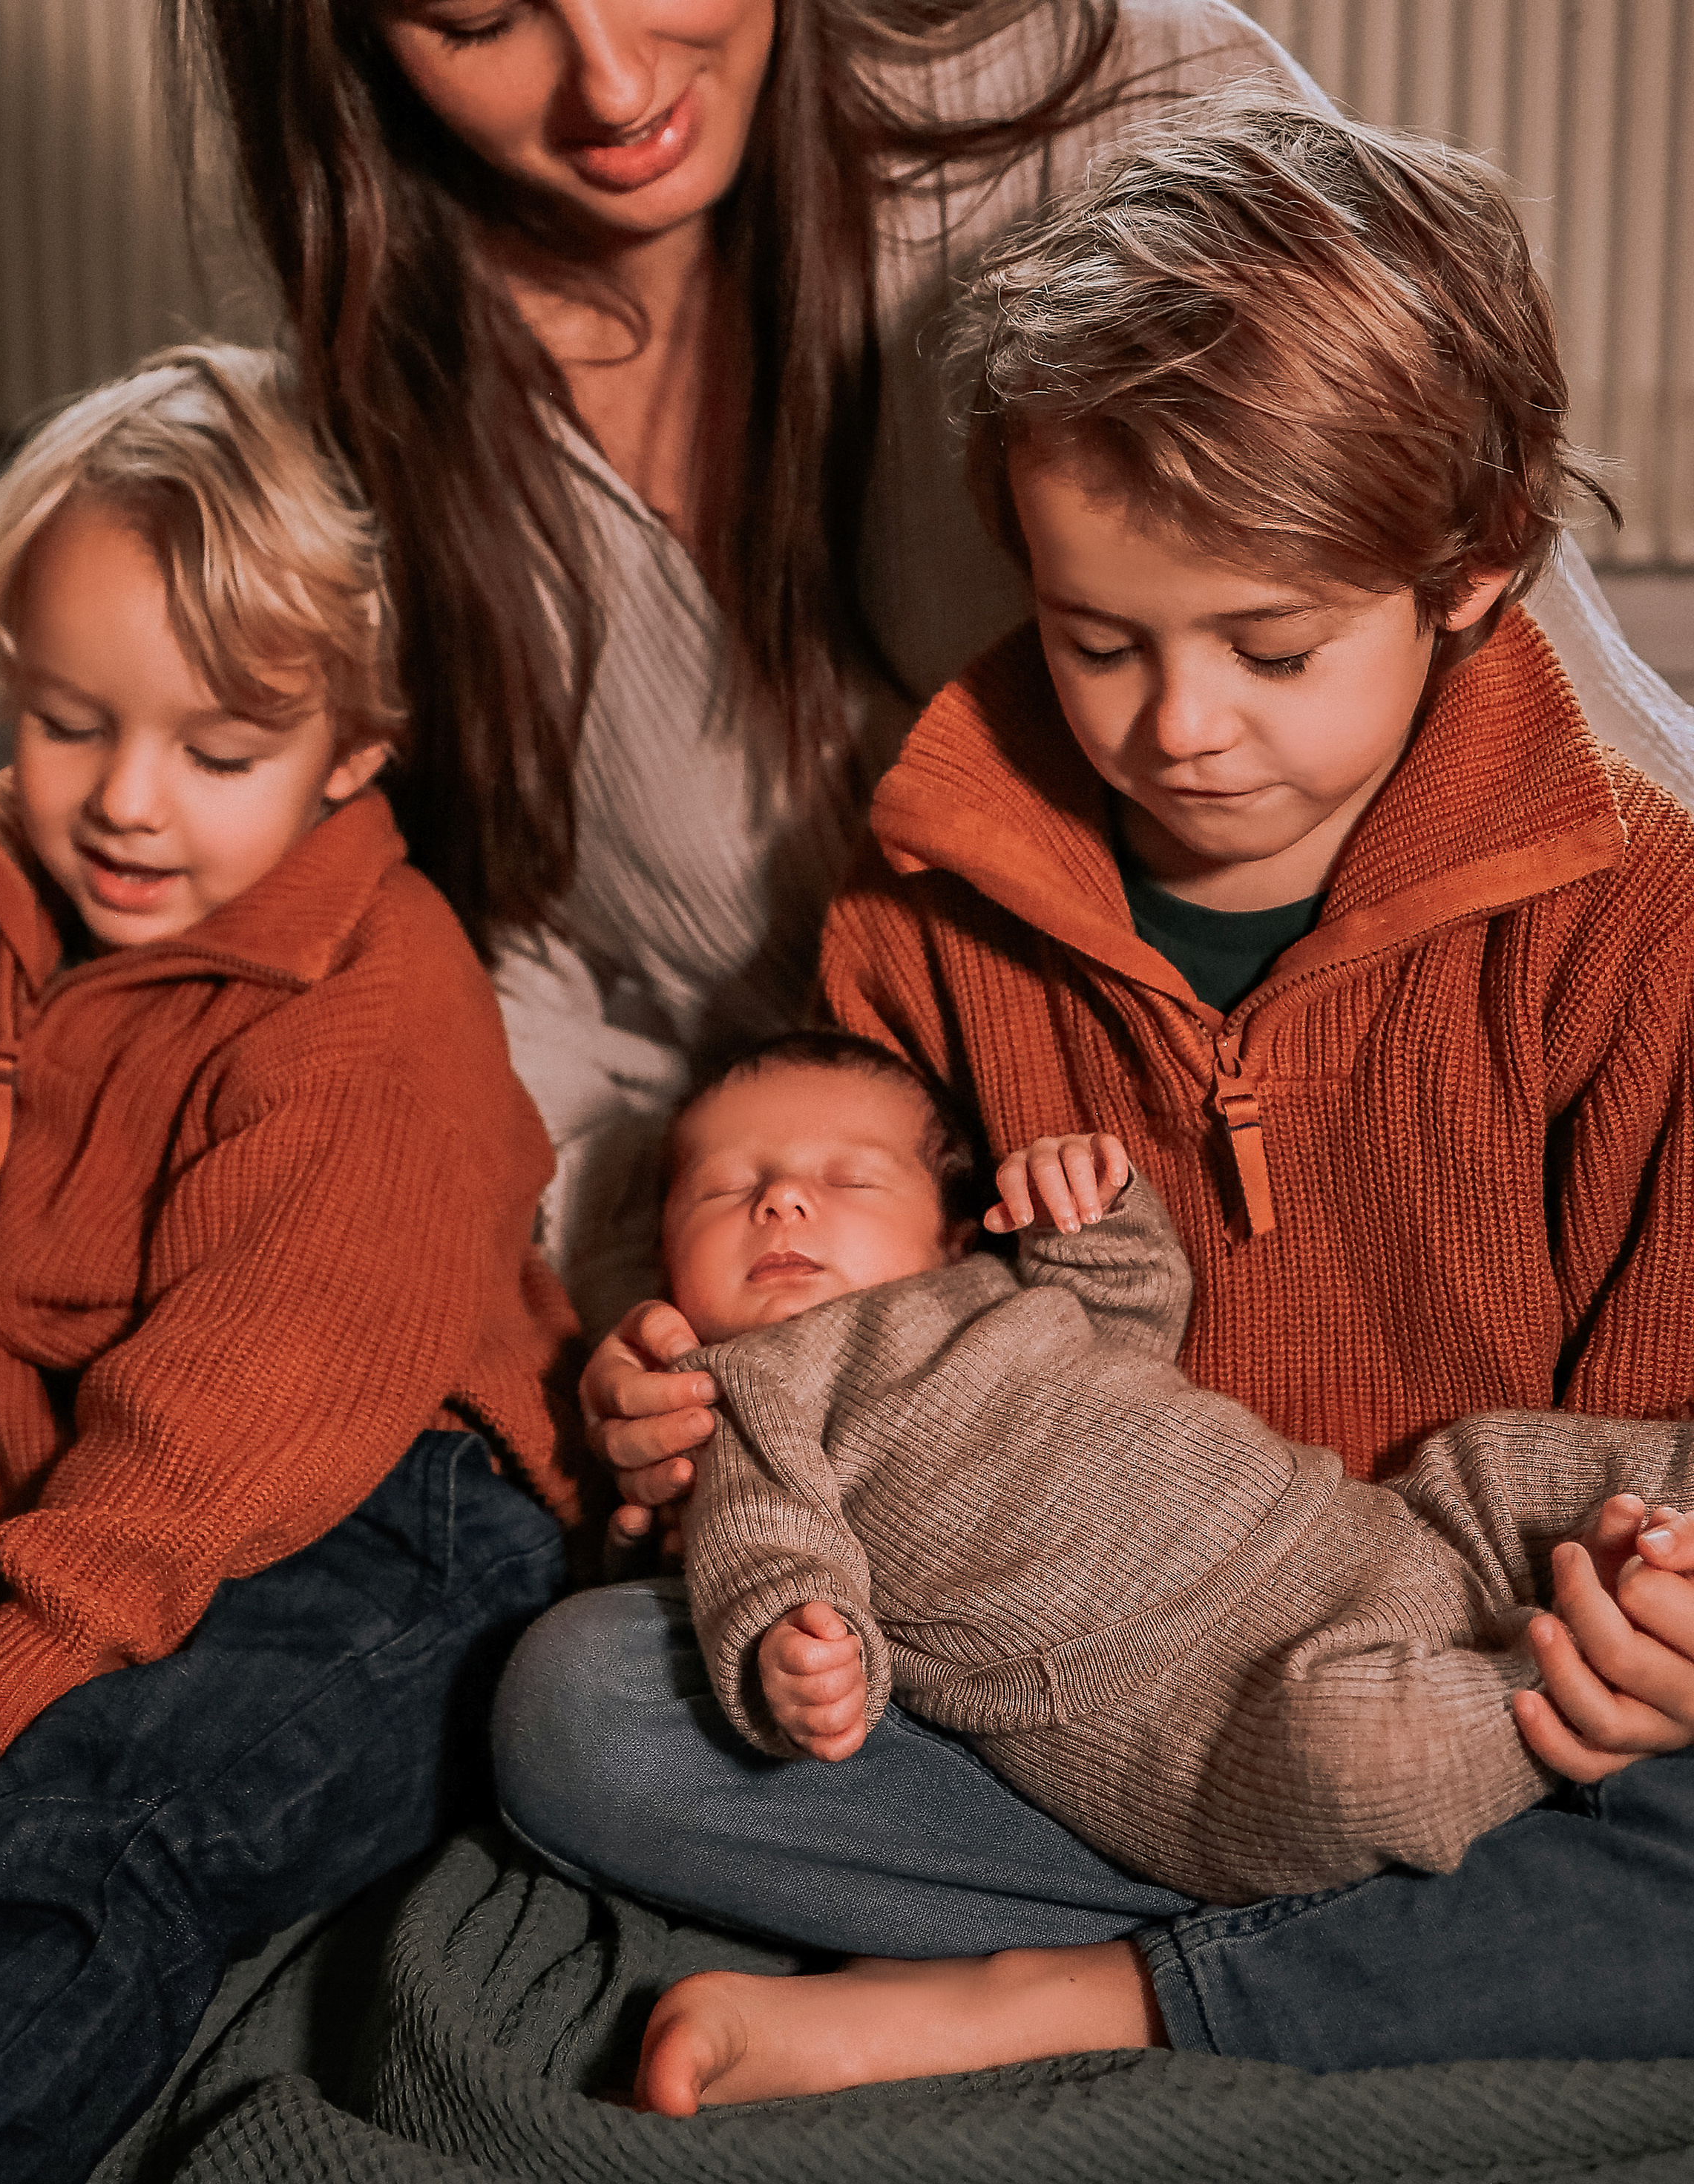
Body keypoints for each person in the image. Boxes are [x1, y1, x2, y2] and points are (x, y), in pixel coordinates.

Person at [168, 0, 1694, 1349]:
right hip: (816, 1351)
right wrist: (629, 1317)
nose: (612, 84)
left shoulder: (1121, 115)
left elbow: (1588, 779)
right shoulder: (388, 425)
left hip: (1339, 1320)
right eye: (476, 21)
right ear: (346, 35)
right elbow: (549, 991)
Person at [497, 108, 1694, 2078]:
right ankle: (1401, 1952)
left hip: (1476, 1653)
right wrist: (688, 1436)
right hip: (1108, 1683)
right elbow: (850, 1382)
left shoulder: (1635, 923)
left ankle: (1103, 1992)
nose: (1182, 726)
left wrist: (1652, 1644)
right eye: (1097, 642)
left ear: (1472, 575)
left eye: (1275, 646)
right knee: (587, 1712)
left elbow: (1657, 1457)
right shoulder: (922, 921)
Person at [0, 348, 577, 2184]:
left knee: (105, 1801)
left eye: (221, 755)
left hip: (400, 1530)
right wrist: (8, 1575)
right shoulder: (3, 909)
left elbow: (262, 1385)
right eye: (73, 724)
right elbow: (13, 1348)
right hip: (99, 1515)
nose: (130, 803)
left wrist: (41, 1644)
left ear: (350, 755)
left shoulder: (371, 1013)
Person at [627, 1029, 1694, 2109]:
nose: (780, 1204)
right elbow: (761, 1544)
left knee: (1503, 1460)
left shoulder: (997, 1286)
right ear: (662, 1264)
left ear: (951, 1231)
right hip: (1197, 1713)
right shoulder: (747, 1388)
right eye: (722, 1190)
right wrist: (796, 1639)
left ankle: (1662, 1547)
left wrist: (1091, 1203)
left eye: (846, 1177)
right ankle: (1574, 1676)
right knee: (1368, 1757)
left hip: (1352, 1527)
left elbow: (1141, 1303)